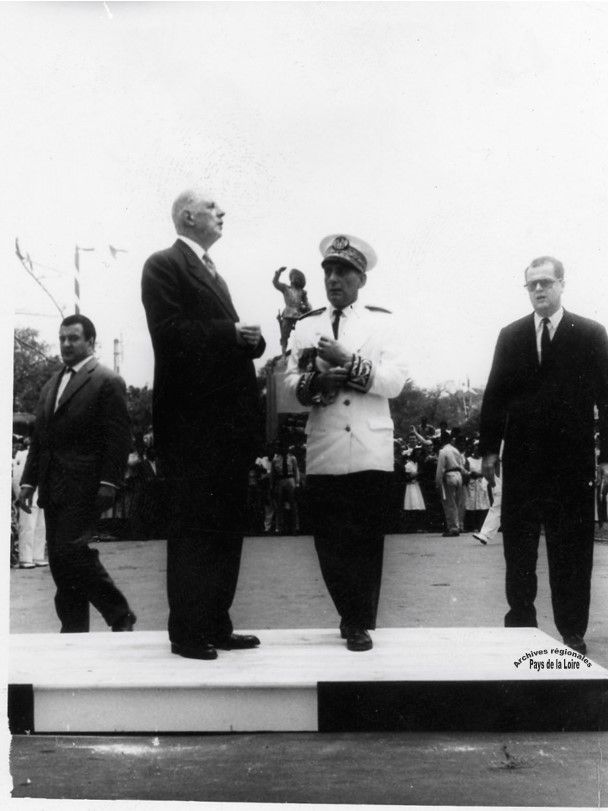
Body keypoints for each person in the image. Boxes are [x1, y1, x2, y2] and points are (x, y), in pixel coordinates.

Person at [141, 188, 266, 660]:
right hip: (191, 427)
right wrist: (230, 333)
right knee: (194, 526)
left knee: (224, 527)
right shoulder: (163, 265)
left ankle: (216, 622)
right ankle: (187, 632)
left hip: (225, 428)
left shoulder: (213, 271)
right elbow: (168, 334)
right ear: (188, 216)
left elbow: (208, 341)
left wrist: (249, 344)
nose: (222, 212)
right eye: (214, 207)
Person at [284, 233, 409, 652]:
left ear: (361, 279)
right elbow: (288, 389)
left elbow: (393, 382)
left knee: (366, 540)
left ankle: (358, 621)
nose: (334, 279)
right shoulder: (305, 326)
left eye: (344, 272)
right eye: (329, 271)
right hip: (326, 447)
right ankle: (349, 612)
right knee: (331, 542)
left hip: (371, 447)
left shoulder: (384, 323)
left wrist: (348, 362)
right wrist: (318, 381)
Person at [480, 256, 607, 656]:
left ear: (562, 284)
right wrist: (487, 450)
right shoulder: (511, 335)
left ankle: (572, 632)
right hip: (522, 459)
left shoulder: (590, 333)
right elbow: (495, 394)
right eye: (531, 284)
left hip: (572, 462)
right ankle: (521, 624)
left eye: (546, 283)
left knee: (571, 549)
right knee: (518, 547)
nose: (538, 290)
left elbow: (606, 396)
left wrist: (605, 456)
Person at [18, 314, 136, 633]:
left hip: (86, 486)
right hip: (52, 487)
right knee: (60, 560)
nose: (66, 344)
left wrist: (110, 481)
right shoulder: (50, 385)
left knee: (71, 552)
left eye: (73, 338)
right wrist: (28, 481)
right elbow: (40, 438)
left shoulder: (106, 381)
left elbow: (118, 437)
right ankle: (73, 627)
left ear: (90, 342)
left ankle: (119, 613)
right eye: (62, 338)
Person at [435, 430, 467, 537]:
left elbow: (440, 469)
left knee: (449, 503)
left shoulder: (443, 451)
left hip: (449, 476)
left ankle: (453, 528)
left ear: (441, 440)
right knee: (458, 503)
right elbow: (461, 465)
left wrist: (438, 482)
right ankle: (458, 525)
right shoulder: (455, 450)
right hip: (458, 476)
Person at [273, 267, 311, 354]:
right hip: (288, 314)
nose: (294, 278)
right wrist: (278, 272)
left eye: (296, 277)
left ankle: (303, 349)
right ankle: (283, 353)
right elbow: (275, 283)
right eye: (293, 276)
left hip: (299, 314)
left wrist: (306, 307)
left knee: (303, 331)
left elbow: (306, 303)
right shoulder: (285, 288)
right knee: (284, 335)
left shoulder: (302, 292)